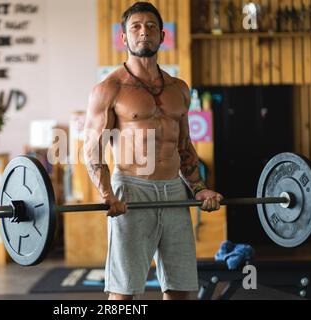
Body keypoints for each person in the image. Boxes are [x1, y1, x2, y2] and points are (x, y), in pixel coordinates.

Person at [83, 2, 223, 300]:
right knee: (123, 293)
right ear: (124, 38)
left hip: (174, 191)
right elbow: (92, 149)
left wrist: (198, 189)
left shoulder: (179, 89)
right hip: (132, 191)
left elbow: (184, 146)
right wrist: (107, 194)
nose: (143, 31)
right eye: (135, 26)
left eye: (150, 26)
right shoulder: (109, 88)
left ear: (162, 36)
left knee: (182, 290)